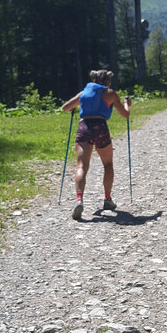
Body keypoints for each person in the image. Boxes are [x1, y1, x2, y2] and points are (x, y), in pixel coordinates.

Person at [60, 69, 131, 220]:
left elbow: (65, 107)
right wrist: (127, 104)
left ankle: (79, 199)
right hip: (100, 127)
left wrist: (77, 107)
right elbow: (125, 114)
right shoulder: (110, 93)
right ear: (107, 81)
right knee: (108, 164)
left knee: (81, 166)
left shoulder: (83, 93)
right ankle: (107, 199)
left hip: (83, 127)